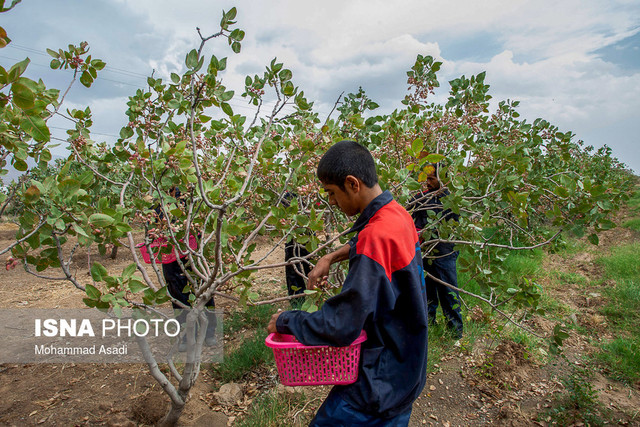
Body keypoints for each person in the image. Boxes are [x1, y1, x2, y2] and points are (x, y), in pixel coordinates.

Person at [267, 140, 428, 426]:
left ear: (352, 184)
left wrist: (286, 321)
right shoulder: (397, 215)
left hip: (376, 385)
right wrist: (331, 256)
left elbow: (341, 326)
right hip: (406, 371)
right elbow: (370, 243)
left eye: (331, 192)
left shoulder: (374, 239)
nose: (331, 201)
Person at [155, 187, 217, 349]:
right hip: (169, 252)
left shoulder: (192, 191)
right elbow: (153, 223)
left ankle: (209, 331)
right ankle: (186, 335)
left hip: (193, 249)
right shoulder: (158, 194)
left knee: (203, 287)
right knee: (176, 290)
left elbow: (204, 217)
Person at [407, 163, 463, 339]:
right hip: (424, 253)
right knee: (427, 292)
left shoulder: (451, 200)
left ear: (443, 179)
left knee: (448, 292)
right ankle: (429, 327)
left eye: (432, 179)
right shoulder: (420, 198)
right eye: (426, 179)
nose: (428, 183)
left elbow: (454, 225)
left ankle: (455, 332)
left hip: (444, 252)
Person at [281, 191, 312, 309]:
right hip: (299, 229)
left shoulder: (299, 189)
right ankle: (297, 300)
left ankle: (315, 294)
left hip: (304, 227)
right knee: (294, 264)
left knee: (310, 262)